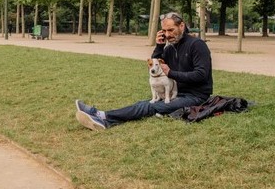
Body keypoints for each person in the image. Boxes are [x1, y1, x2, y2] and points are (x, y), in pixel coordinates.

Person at [75, 12, 213, 130]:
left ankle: (103, 117)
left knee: (150, 107)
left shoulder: (197, 45)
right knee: (143, 103)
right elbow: (154, 66)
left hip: (196, 97)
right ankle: (102, 116)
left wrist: (171, 73)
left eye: (170, 30)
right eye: (164, 31)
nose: (167, 34)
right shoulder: (170, 48)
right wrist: (159, 47)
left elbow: (201, 75)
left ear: (181, 26)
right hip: (175, 93)